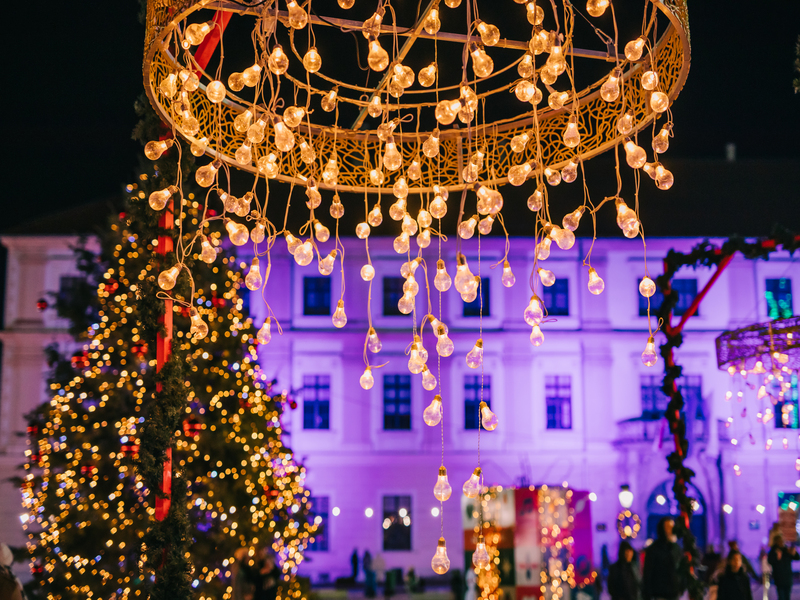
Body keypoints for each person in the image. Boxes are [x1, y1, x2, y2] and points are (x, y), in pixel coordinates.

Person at [642, 517, 683, 600]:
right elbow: (648, 574)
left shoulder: (676, 549)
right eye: (668, 527)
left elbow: (680, 569)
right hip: (660, 595)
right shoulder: (653, 549)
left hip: (674, 594)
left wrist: (681, 587)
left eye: (672, 527)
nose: (671, 530)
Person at [768, 535, 799, 600]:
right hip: (779, 578)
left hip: (787, 578)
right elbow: (770, 561)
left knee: (787, 597)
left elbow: (797, 557)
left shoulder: (786, 550)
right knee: (781, 597)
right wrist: (777, 558)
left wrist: (794, 552)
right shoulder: (773, 551)